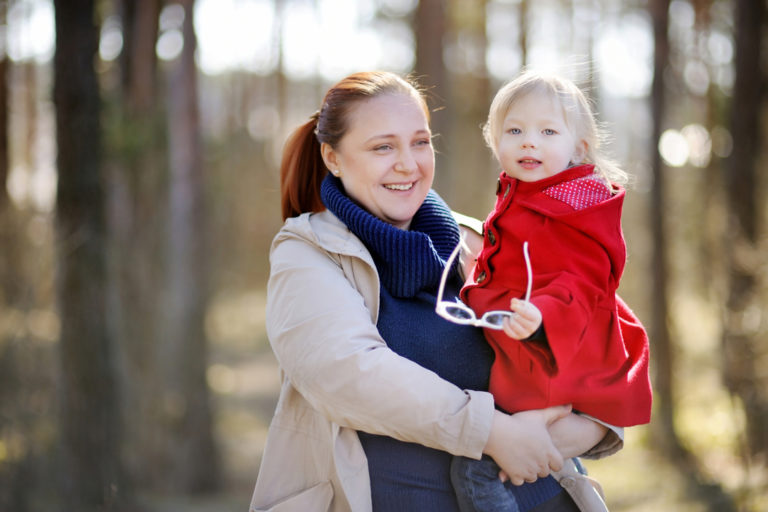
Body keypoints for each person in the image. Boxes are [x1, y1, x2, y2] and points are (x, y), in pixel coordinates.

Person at [249, 70, 622, 512]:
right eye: (383, 147)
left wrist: (590, 426)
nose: (408, 164)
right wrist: (492, 433)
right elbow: (348, 375)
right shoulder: (308, 254)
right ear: (332, 157)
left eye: (420, 142)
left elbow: (603, 335)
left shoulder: (482, 241)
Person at [439, 71, 652, 512]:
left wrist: (543, 315)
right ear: (495, 140)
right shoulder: (527, 196)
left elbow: (583, 282)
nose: (529, 142)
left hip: (558, 357)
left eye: (547, 131)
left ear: (580, 148)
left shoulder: (575, 210)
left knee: (478, 468)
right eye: (514, 131)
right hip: (534, 360)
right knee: (532, 462)